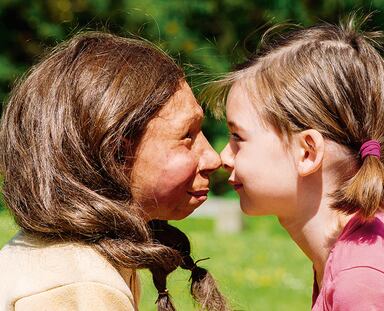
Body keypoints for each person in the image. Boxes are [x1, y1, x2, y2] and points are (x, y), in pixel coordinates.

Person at [0, 32, 229, 311]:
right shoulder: (80, 284)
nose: (213, 159)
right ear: (117, 153)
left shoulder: (79, 260)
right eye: (187, 136)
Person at [209, 16, 384, 310]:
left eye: (237, 137)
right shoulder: (349, 259)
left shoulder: (363, 284)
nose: (223, 157)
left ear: (307, 152)